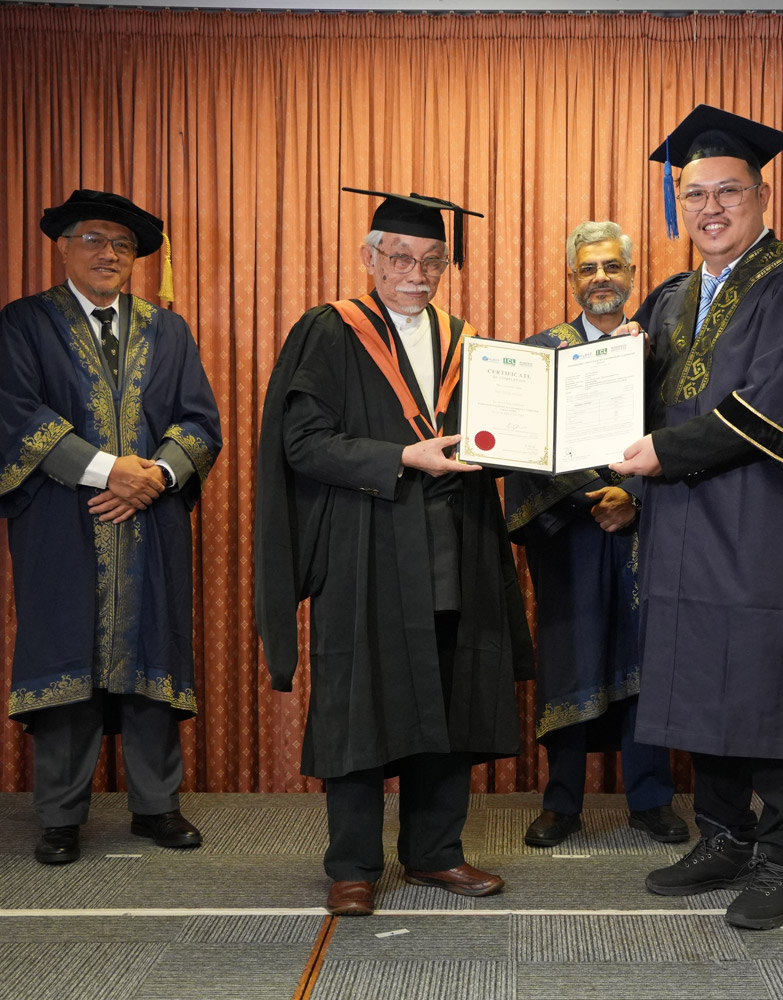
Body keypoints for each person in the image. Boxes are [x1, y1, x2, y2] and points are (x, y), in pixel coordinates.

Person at [610, 106, 783, 930]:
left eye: (727, 191)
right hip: (684, 525)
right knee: (699, 676)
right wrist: (604, 383)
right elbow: (638, 398)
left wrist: (663, 452)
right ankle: (725, 834)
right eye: (692, 194)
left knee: (772, 680)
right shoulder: (673, 296)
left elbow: (775, 408)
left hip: (770, 526)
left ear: (762, 194)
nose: (709, 208)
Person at [255, 188, 533, 918]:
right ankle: (352, 863)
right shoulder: (330, 332)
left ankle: (435, 852)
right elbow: (302, 443)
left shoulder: (466, 339)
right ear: (370, 256)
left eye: (432, 261)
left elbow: (492, 438)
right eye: (401, 257)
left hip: (456, 551)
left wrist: (532, 443)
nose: (416, 272)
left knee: (449, 699)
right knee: (360, 705)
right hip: (368, 550)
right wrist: (401, 456)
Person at [0, 189, 222, 865]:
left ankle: (157, 807)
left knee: (152, 657)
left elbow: (199, 420)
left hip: (152, 522)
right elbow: (18, 415)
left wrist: (158, 477)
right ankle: (60, 816)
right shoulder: (24, 324)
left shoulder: (169, 331)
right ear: (63, 246)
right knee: (67, 660)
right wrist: (109, 471)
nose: (109, 255)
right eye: (94, 241)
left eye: (122, 246)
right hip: (64, 519)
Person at [504, 221, 686, 849]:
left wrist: (631, 497)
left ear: (632, 276)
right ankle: (561, 803)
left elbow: (684, 436)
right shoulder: (541, 353)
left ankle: (650, 799)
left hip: (646, 530)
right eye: (588, 269)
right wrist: (591, 498)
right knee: (570, 657)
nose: (601, 278)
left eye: (612, 267)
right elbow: (525, 449)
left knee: (647, 657)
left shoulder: (664, 353)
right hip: (572, 533)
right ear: (571, 279)